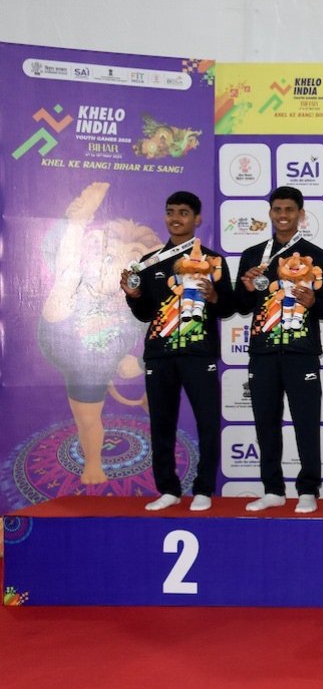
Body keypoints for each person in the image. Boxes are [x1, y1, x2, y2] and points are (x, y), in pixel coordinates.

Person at [121, 192, 233, 511]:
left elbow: (228, 306)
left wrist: (214, 297)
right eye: (171, 212)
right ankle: (168, 489)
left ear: (197, 219)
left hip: (199, 354)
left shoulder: (213, 261)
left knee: (207, 423)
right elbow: (144, 313)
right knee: (162, 424)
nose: (175, 218)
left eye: (183, 213)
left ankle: (204, 490)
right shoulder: (149, 262)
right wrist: (133, 295)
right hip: (160, 355)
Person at [234, 186, 323, 514]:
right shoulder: (253, 255)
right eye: (277, 209)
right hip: (263, 353)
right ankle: (273, 490)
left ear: (300, 214)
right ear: (270, 213)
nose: (283, 215)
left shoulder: (317, 256)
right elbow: (240, 305)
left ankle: (308, 490)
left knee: (306, 423)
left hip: (301, 353)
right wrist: (247, 288)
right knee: (265, 424)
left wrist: (313, 301)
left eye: (289, 210)